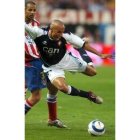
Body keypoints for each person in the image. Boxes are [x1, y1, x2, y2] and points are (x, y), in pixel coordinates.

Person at [25, 19, 112, 106]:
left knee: (93, 72)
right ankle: (88, 95)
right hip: (51, 67)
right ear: (51, 29)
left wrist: (100, 55)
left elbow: (83, 44)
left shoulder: (66, 35)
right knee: (62, 87)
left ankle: (79, 50)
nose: (60, 35)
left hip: (66, 59)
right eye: (58, 32)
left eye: (61, 32)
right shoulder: (37, 33)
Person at [25, 1, 66, 128]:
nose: (32, 12)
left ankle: (52, 119)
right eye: (29, 10)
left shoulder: (35, 24)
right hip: (29, 62)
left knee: (53, 87)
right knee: (36, 96)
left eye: (34, 10)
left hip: (41, 60)